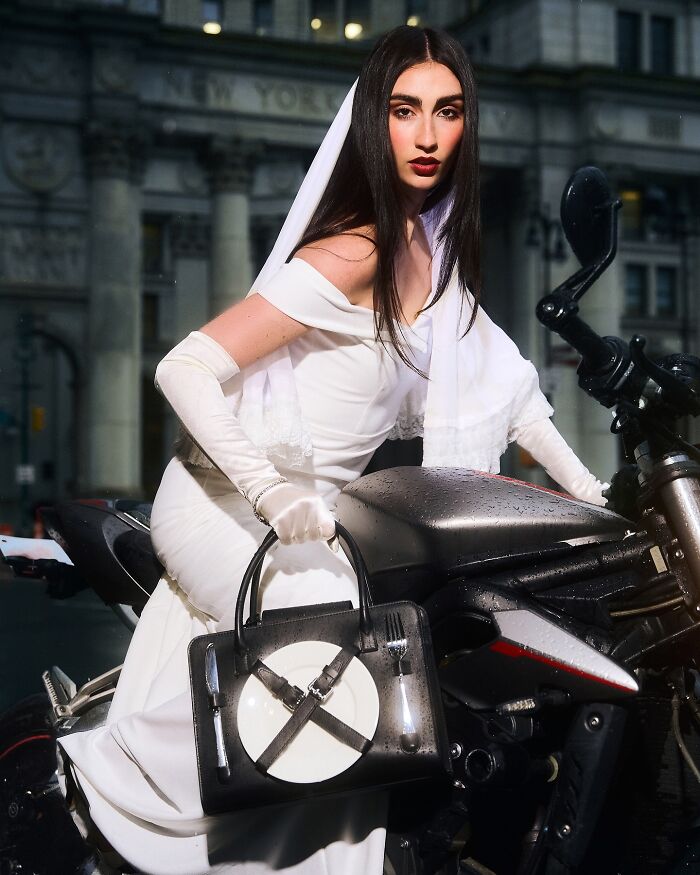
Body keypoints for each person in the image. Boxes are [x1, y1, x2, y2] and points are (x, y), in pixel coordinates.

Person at [58, 25, 607, 875]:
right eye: (405, 110)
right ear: (372, 121)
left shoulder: (436, 255)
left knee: (405, 631)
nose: (427, 134)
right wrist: (271, 494)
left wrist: (592, 498)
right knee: (336, 639)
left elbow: (515, 396)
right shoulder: (358, 246)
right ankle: (108, 772)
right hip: (223, 500)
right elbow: (185, 367)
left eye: (448, 111)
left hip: (318, 518)